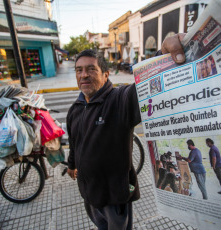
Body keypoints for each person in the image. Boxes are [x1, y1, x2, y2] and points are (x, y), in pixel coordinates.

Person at [66, 34, 186, 229]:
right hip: (89, 193)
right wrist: (72, 165)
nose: (83, 75)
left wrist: (162, 55)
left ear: (106, 74)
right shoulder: (75, 109)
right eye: (79, 70)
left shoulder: (119, 100)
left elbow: (144, 86)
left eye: (91, 69)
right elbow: (74, 142)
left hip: (114, 196)